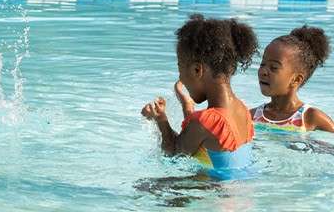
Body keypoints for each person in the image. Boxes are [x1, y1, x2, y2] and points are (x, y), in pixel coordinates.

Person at [141, 14, 258, 180]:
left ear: (197, 70)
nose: (180, 77)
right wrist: (187, 106)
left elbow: (173, 153)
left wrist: (160, 119)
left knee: (143, 186)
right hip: (238, 196)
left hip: (213, 198)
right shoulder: (241, 109)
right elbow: (200, 141)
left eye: (180, 68)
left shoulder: (206, 122)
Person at [252, 26, 334, 133]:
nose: (263, 72)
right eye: (262, 64)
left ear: (296, 79)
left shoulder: (311, 118)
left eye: (274, 68)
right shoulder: (251, 116)